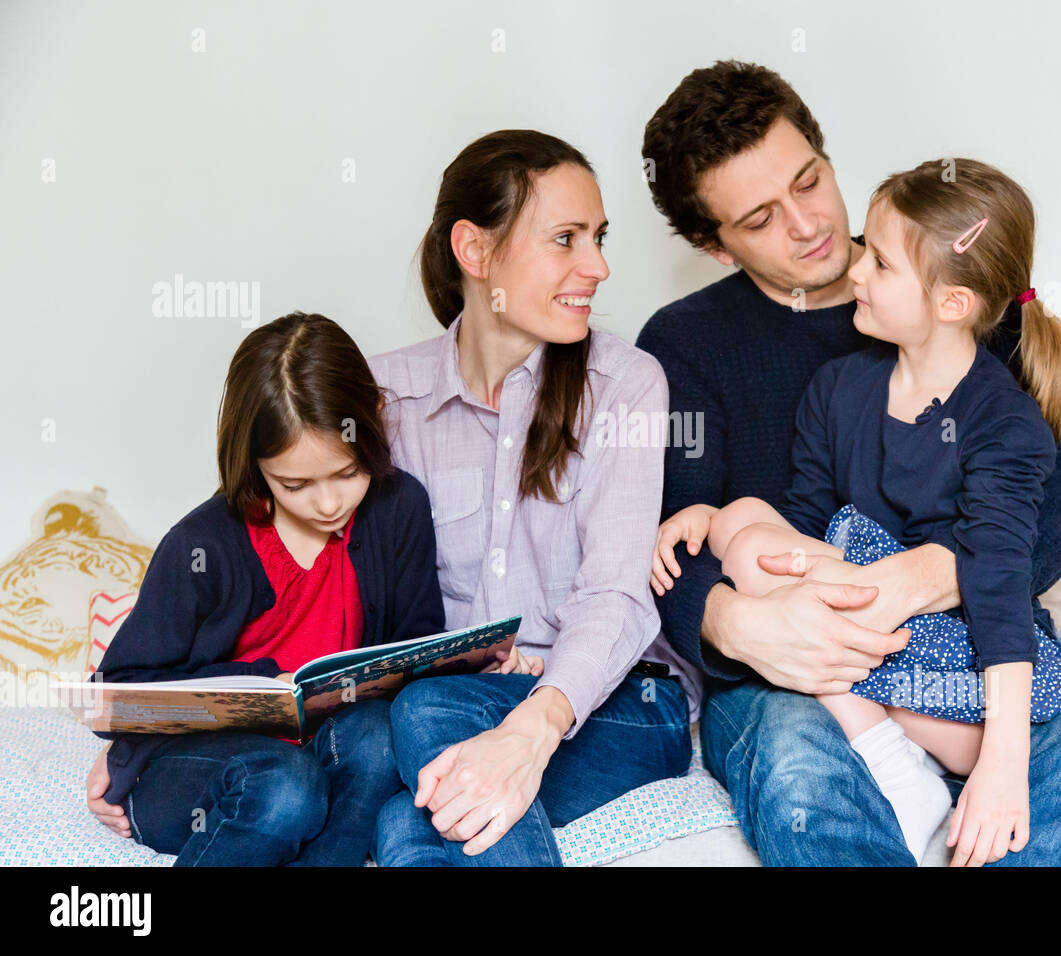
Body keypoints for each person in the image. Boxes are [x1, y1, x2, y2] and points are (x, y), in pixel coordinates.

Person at [636, 60, 1061, 866]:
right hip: (796, 674)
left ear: (824, 152)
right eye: (759, 218)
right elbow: (664, 540)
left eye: (809, 181)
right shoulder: (685, 345)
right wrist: (737, 625)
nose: (808, 224)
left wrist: (934, 575)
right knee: (796, 771)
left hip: (977, 644)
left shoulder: (959, 287)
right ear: (714, 247)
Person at [368, 129, 696, 866]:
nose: (600, 267)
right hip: (460, 698)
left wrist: (531, 724)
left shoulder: (627, 384)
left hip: (616, 705)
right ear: (476, 252)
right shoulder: (387, 396)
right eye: (566, 240)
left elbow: (616, 591)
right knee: (405, 820)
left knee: (426, 726)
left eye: (599, 238)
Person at [82, 312, 451, 865]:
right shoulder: (201, 546)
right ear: (254, 465)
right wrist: (260, 687)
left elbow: (415, 647)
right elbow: (121, 694)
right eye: (296, 484)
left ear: (373, 420)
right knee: (286, 787)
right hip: (200, 773)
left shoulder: (398, 510)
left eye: (348, 472)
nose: (329, 505)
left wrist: (479, 663)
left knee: (377, 740)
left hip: (327, 756)